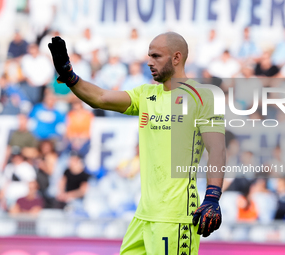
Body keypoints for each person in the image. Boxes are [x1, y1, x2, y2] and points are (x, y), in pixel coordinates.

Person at [48, 32, 226, 254]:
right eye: (148, 56)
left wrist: (212, 196)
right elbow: (100, 98)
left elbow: (217, 148)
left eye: (156, 56)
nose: (149, 62)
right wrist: (68, 75)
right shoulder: (146, 94)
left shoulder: (202, 97)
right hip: (143, 216)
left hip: (175, 217)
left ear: (177, 58)